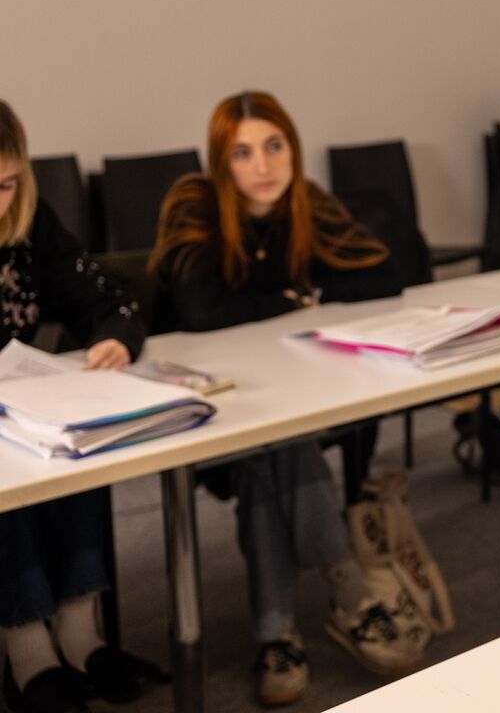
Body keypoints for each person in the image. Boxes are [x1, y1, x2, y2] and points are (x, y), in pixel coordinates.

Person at [150, 91, 419, 706]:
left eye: (275, 146)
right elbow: (201, 311)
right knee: (277, 441)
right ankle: (349, 590)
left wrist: (306, 290)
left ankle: (276, 635)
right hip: (200, 415)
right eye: (243, 153)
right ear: (222, 162)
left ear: (292, 148)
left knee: (277, 451)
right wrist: (298, 300)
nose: (263, 166)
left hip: (284, 404)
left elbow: (383, 276)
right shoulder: (194, 204)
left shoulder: (306, 203)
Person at [0, 101, 165, 713]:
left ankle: (80, 631)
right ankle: (27, 648)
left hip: (23, 401)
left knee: (79, 434)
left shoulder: (29, 224)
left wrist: (114, 337)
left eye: (7, 184)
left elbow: (107, 300)